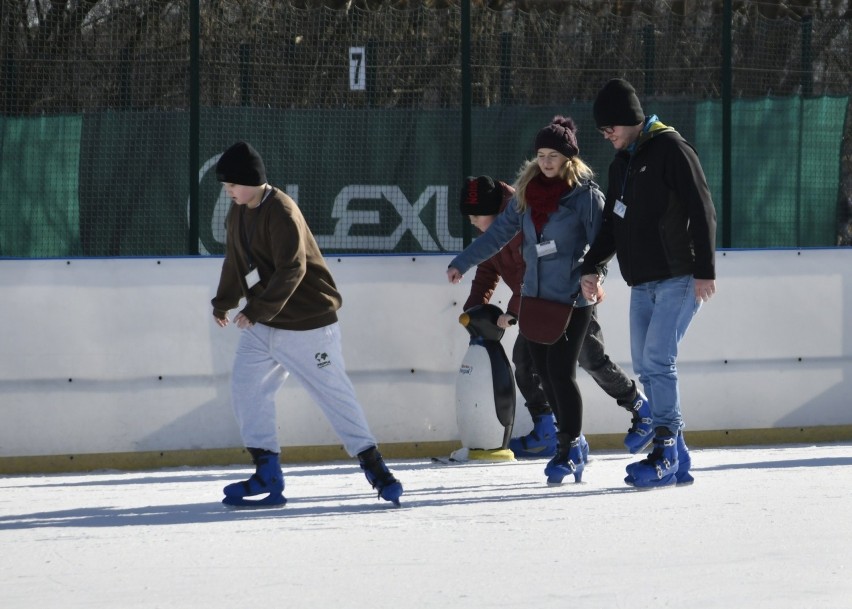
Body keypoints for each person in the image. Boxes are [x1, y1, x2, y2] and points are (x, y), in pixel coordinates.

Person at [210, 141, 403, 507]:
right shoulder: (237, 213)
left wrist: (258, 309)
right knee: (247, 389)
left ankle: (377, 469)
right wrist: (224, 302)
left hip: (308, 326)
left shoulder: (281, 211)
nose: (229, 190)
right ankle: (267, 472)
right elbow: (235, 261)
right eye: (226, 186)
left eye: (232, 184)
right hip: (264, 324)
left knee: (334, 396)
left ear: (252, 180)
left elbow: (293, 269)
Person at [447, 116, 603, 485]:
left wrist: (594, 275)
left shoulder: (584, 195)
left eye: (554, 155)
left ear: (569, 158)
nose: (546, 162)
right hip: (534, 297)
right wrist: (462, 261)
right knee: (545, 373)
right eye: (541, 155)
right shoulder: (527, 193)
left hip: (571, 299)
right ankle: (573, 443)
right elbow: (497, 235)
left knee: (562, 372)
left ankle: (568, 449)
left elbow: (601, 242)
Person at [581, 78, 717, 489]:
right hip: (642, 282)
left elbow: (702, 206)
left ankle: (664, 452)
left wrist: (705, 268)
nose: (608, 137)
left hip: (679, 276)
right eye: (603, 132)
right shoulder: (621, 164)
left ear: (630, 120)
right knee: (646, 365)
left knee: (658, 361)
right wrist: (593, 265)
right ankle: (680, 457)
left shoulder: (671, 149)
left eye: (611, 129)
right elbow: (611, 223)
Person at [459, 175, 654, 459]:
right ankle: (549, 429)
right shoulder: (493, 234)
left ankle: (640, 408)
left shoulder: (523, 216)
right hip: (534, 304)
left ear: (495, 210)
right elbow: (487, 271)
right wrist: (473, 309)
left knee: (590, 358)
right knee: (525, 363)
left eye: (476, 216)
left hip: (569, 297)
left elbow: (534, 265)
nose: (473, 222)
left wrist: (513, 310)